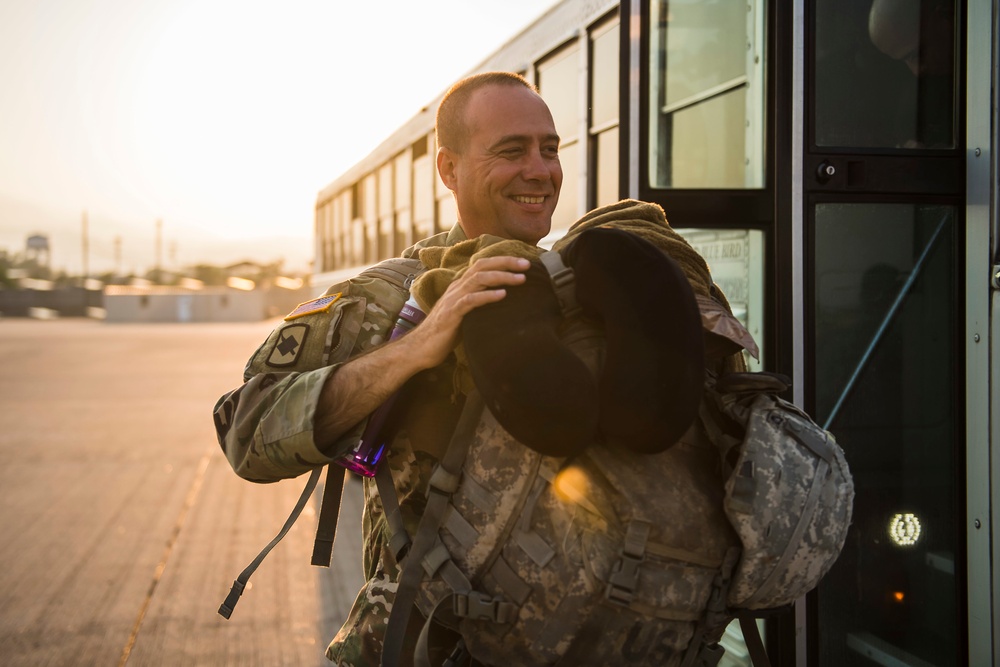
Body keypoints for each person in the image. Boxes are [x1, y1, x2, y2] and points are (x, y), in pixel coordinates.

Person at [213, 71, 563, 666]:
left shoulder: (582, 287)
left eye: (550, 149)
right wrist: (415, 347)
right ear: (448, 170)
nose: (540, 169)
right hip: (435, 645)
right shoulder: (391, 300)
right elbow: (245, 430)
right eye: (512, 151)